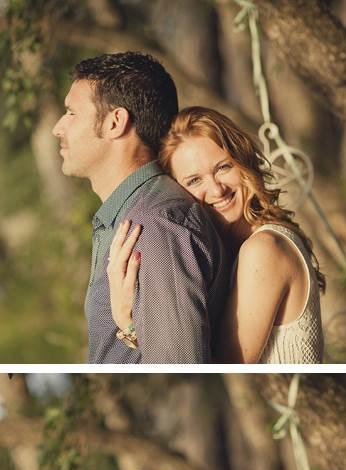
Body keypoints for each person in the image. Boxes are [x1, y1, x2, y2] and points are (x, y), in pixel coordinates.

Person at [107, 107, 325, 363]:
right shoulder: (233, 251)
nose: (216, 189)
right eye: (194, 181)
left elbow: (220, 369)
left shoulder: (264, 248)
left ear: (242, 162)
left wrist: (128, 321)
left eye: (223, 167)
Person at [53, 53, 229, 363]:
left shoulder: (157, 224)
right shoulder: (133, 216)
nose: (58, 127)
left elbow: (178, 365)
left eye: (70, 113)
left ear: (115, 122)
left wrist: (129, 327)